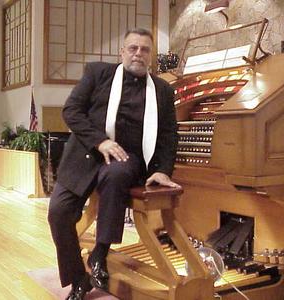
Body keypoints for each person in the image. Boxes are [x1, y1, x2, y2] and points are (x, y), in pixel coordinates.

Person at [48, 28, 180, 300]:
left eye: (144, 49)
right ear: (122, 52)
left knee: (117, 173)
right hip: (85, 154)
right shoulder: (98, 73)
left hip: (127, 159)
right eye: (133, 48)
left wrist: (162, 170)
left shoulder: (163, 90)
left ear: (151, 55)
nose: (138, 54)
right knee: (58, 212)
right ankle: (79, 278)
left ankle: (100, 252)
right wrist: (100, 141)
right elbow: (71, 111)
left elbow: (168, 134)